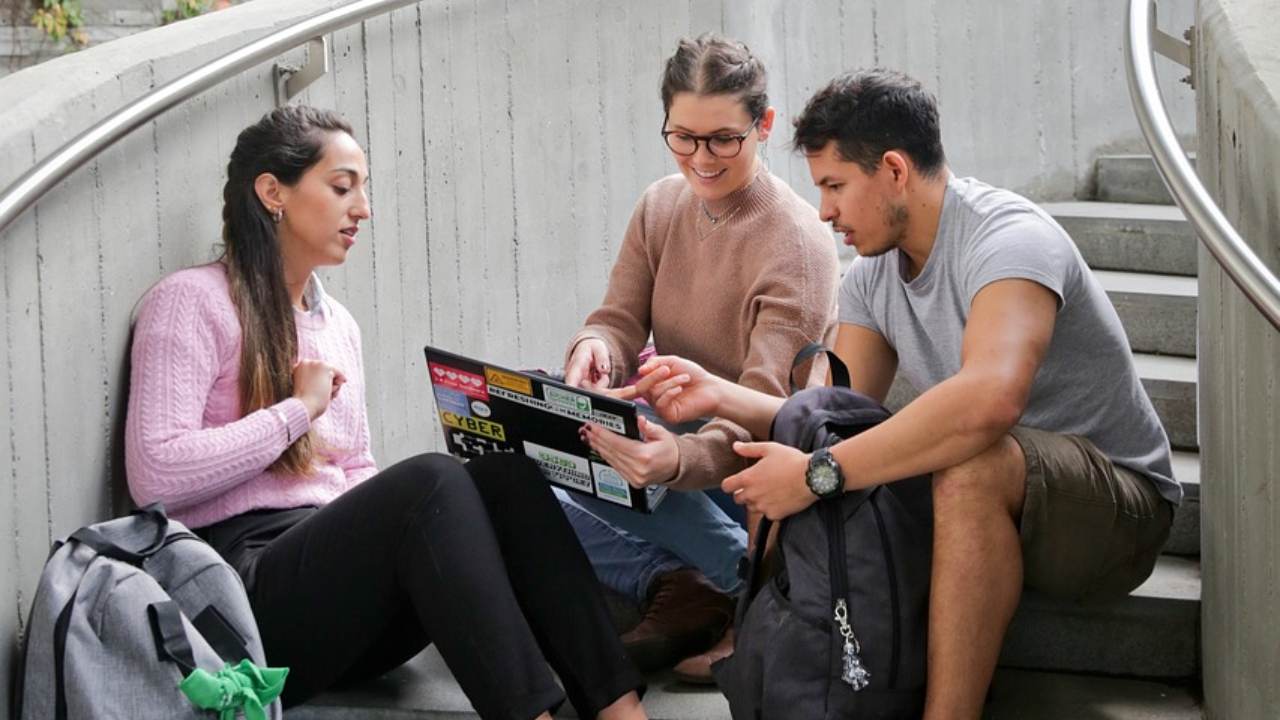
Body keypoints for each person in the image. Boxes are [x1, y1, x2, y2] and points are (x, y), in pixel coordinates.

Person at [627, 68, 1180, 718]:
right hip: (992, 513)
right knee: (800, 432)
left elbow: (988, 402)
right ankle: (782, 654)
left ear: (893, 170)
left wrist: (820, 474)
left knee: (969, 461)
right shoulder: (872, 277)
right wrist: (720, 397)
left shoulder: (1008, 240)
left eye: (835, 186)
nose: (825, 210)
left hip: (1113, 512)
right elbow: (829, 417)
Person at [124, 105, 647, 720]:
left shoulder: (337, 324)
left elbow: (357, 470)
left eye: (363, 190)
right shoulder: (191, 301)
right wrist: (297, 411)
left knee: (506, 477)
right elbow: (154, 475)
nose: (363, 209)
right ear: (273, 192)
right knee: (430, 480)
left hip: (346, 607)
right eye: (342, 187)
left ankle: (621, 711)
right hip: (244, 598)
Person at [558, 33, 839, 680]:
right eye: (682, 136)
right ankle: (681, 580)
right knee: (520, 456)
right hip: (673, 437)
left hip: (751, 465)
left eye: (723, 139)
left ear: (763, 125)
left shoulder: (795, 245)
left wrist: (671, 460)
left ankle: (752, 581)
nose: (701, 158)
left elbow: (761, 411)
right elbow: (617, 320)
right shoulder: (661, 205)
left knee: (609, 461)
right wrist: (595, 352)